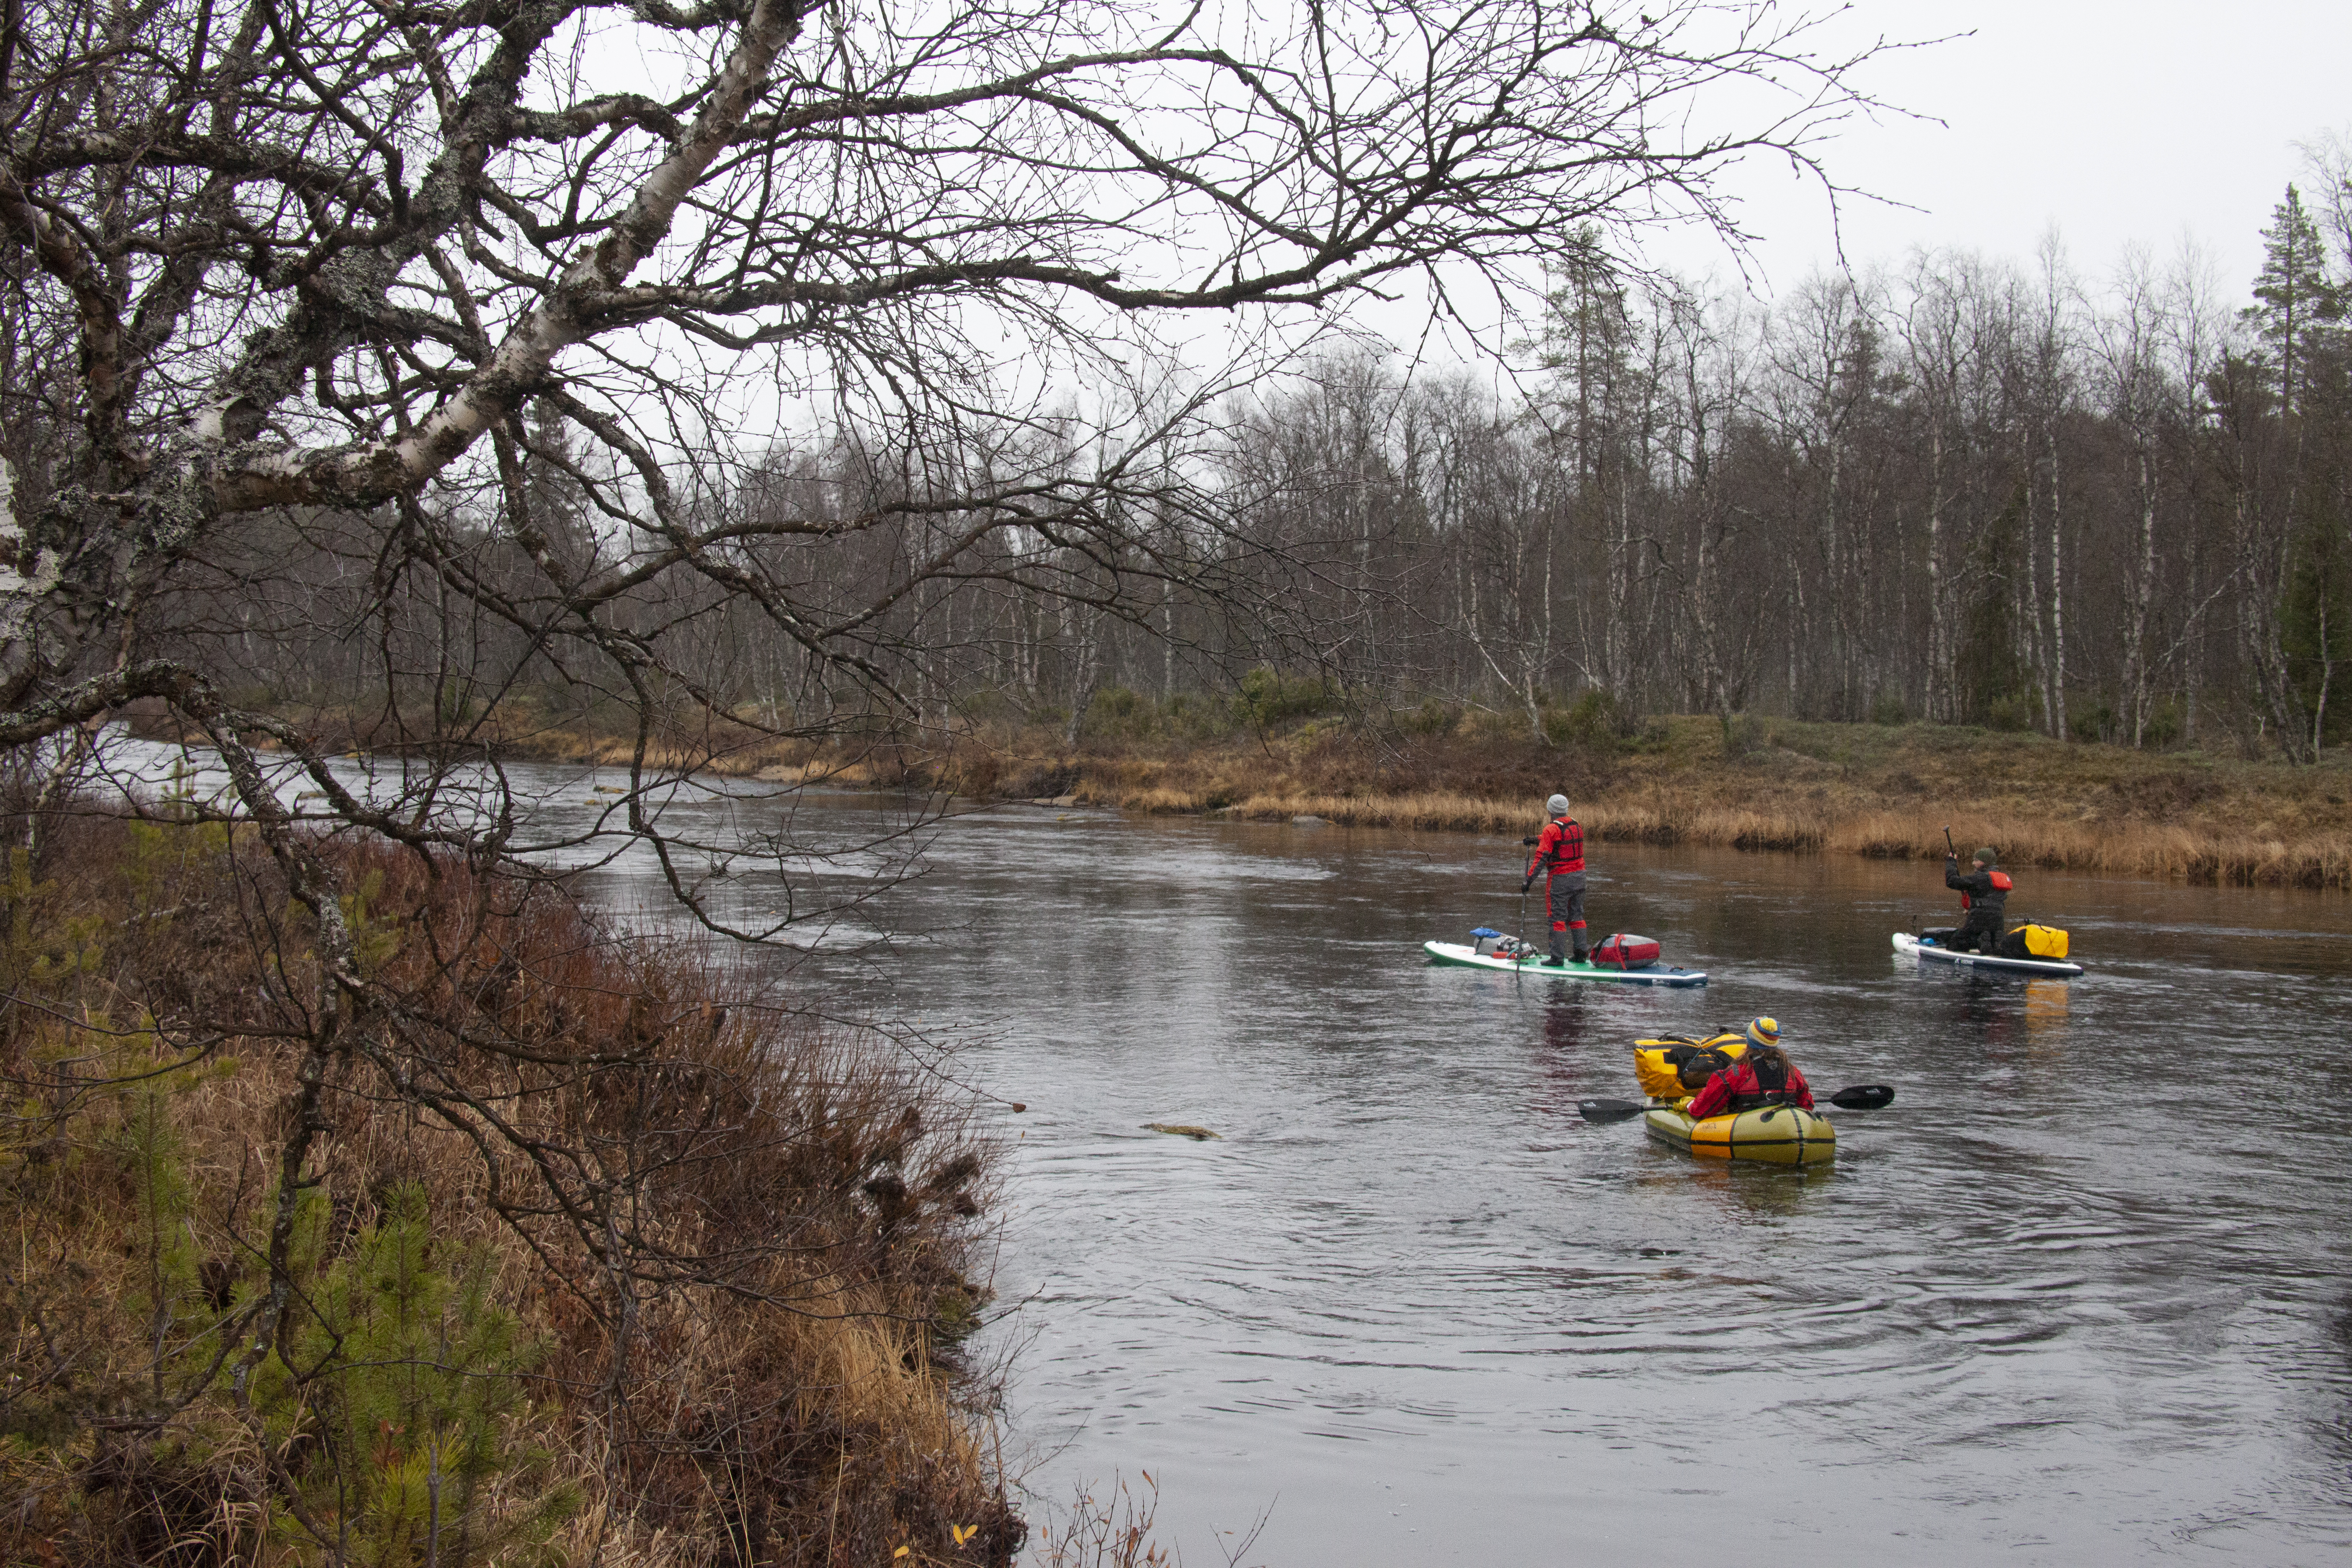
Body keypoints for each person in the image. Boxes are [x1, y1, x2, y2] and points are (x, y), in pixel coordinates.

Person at [1684, 1018, 1814, 1120]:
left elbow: (1698, 1111)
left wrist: (1689, 1103)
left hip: (1746, 1132)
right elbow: (1807, 1106)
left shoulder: (1737, 1074)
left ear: (1750, 1042)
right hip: (1784, 1130)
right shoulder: (1793, 1072)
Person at [1521, 793, 1587, 966]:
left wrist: (1528, 881)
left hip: (1560, 879)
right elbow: (1560, 839)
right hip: (1580, 877)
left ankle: (1557, 958)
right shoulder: (1577, 825)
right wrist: (1537, 839)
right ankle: (1581, 954)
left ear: (1551, 811)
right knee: (1577, 916)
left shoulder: (1550, 829)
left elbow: (1542, 858)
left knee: (1557, 918)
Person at [1942, 845, 2012, 955]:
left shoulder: (1980, 878)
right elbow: (1989, 899)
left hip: (1979, 919)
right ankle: (1988, 943)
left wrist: (1951, 862)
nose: (1973, 863)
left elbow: (1952, 881)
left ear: (1983, 863)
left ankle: (1980, 942)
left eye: (1976, 860)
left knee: (1955, 944)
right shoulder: (2001, 878)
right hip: (1998, 920)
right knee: (1993, 945)